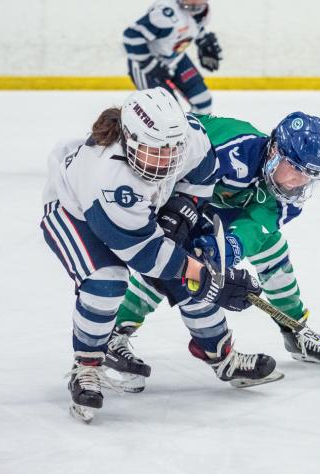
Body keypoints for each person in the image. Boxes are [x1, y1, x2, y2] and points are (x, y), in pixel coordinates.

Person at [41, 87, 275, 423]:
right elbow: (146, 255)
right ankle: (87, 365)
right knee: (107, 281)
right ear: (131, 140)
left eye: (172, 151)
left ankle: (220, 354)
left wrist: (184, 209)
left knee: (196, 259)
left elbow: (203, 171)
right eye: (154, 151)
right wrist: (208, 279)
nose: (166, 160)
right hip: (73, 211)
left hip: (140, 208)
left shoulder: (188, 138)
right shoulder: (110, 177)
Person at [105, 111, 320, 393]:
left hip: (210, 205)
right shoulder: (234, 148)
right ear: (273, 151)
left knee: (271, 248)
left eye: (309, 175)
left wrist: (229, 248)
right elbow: (174, 170)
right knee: (178, 261)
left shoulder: (289, 195)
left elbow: (257, 227)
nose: (299, 180)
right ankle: (118, 331)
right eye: (294, 168)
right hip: (169, 187)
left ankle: (295, 329)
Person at [123, 0, 221, 114]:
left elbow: (195, 25)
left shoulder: (204, 11)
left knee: (203, 101)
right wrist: (150, 65)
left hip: (176, 59)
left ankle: (195, 131)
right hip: (145, 66)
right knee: (168, 112)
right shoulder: (165, 14)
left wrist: (202, 40)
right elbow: (131, 36)